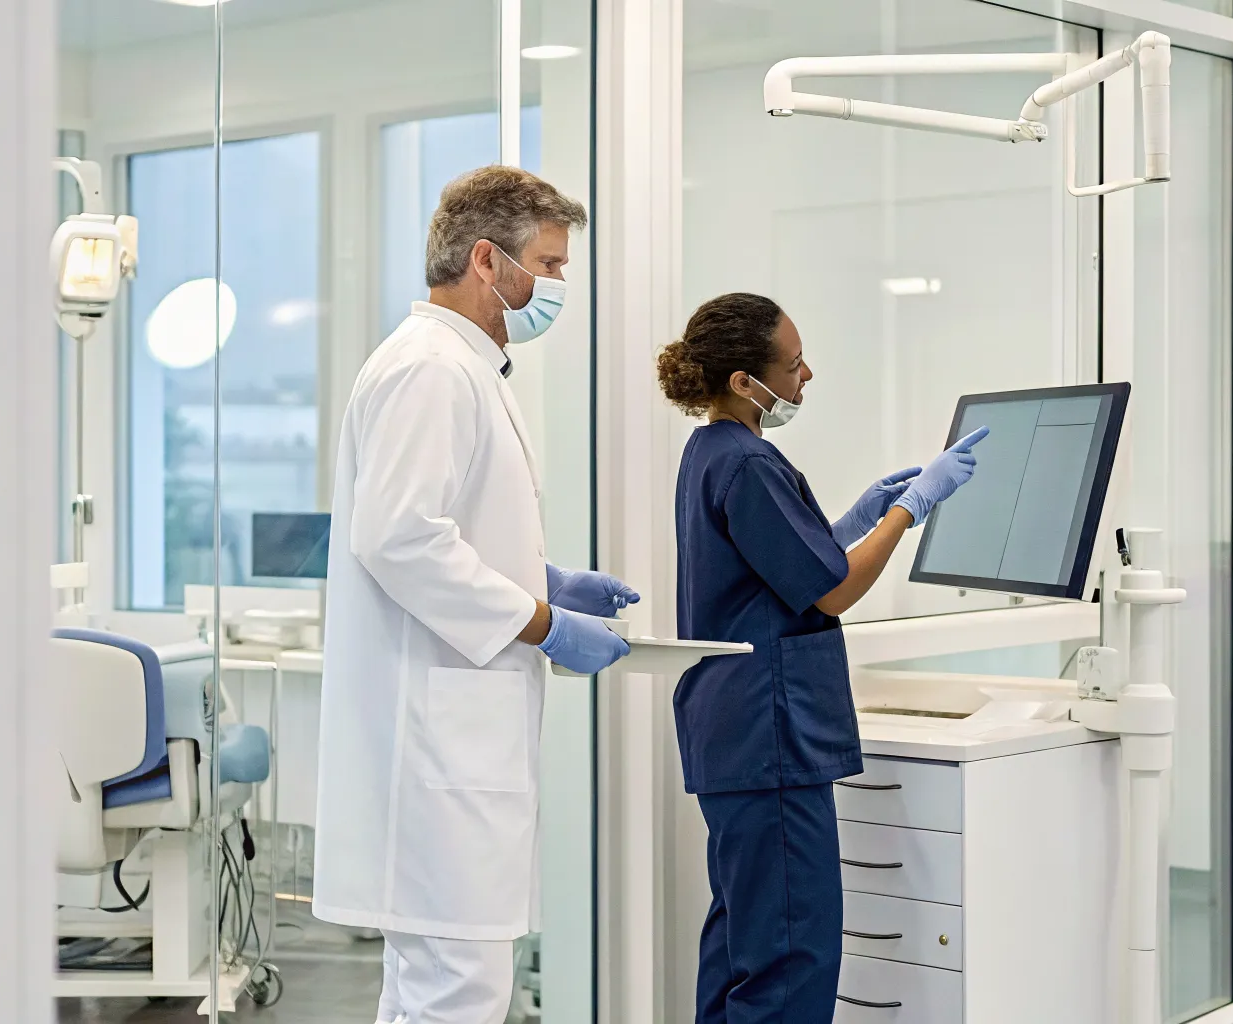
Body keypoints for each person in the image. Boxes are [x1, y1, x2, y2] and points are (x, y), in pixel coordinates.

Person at [316, 165, 639, 1024]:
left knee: (436, 993)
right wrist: (542, 621)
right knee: (457, 994)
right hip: (434, 750)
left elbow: (446, 529)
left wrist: (544, 580)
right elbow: (398, 537)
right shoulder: (430, 370)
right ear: (488, 261)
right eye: (552, 263)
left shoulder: (465, 369)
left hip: (451, 746)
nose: (560, 285)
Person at [657, 293, 988, 1024]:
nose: (808, 374)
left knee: (743, 944)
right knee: (789, 958)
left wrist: (855, 518)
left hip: (735, 733)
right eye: (792, 363)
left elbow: (775, 572)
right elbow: (833, 593)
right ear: (745, 381)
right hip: (769, 735)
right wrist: (910, 511)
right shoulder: (747, 461)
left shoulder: (711, 452)